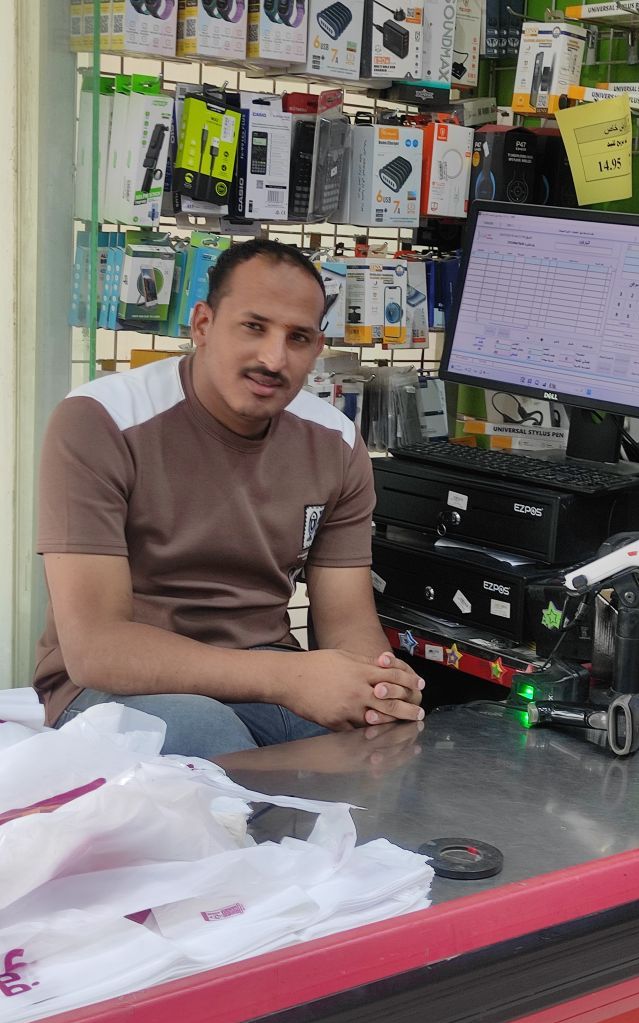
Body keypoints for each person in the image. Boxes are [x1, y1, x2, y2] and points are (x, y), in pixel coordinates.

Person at [33, 240, 424, 758]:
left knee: (382, 746)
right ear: (202, 325)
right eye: (253, 327)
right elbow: (97, 649)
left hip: (264, 671)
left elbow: (349, 620)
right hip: (111, 687)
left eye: (297, 337)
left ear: (317, 348)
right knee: (212, 740)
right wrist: (288, 678)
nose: (273, 359)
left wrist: (380, 690)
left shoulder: (336, 441)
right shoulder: (100, 420)